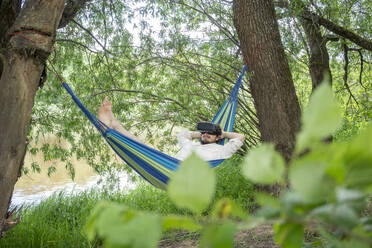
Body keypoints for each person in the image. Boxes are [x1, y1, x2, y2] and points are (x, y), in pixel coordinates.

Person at [98, 97, 245, 161]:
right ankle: (114, 126)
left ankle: (111, 127)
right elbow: (182, 135)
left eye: (210, 133)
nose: (206, 134)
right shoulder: (192, 144)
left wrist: (222, 133)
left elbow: (241, 138)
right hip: (170, 164)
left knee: (143, 147)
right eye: (204, 132)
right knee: (141, 145)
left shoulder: (221, 151)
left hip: (180, 173)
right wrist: (199, 133)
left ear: (217, 137)